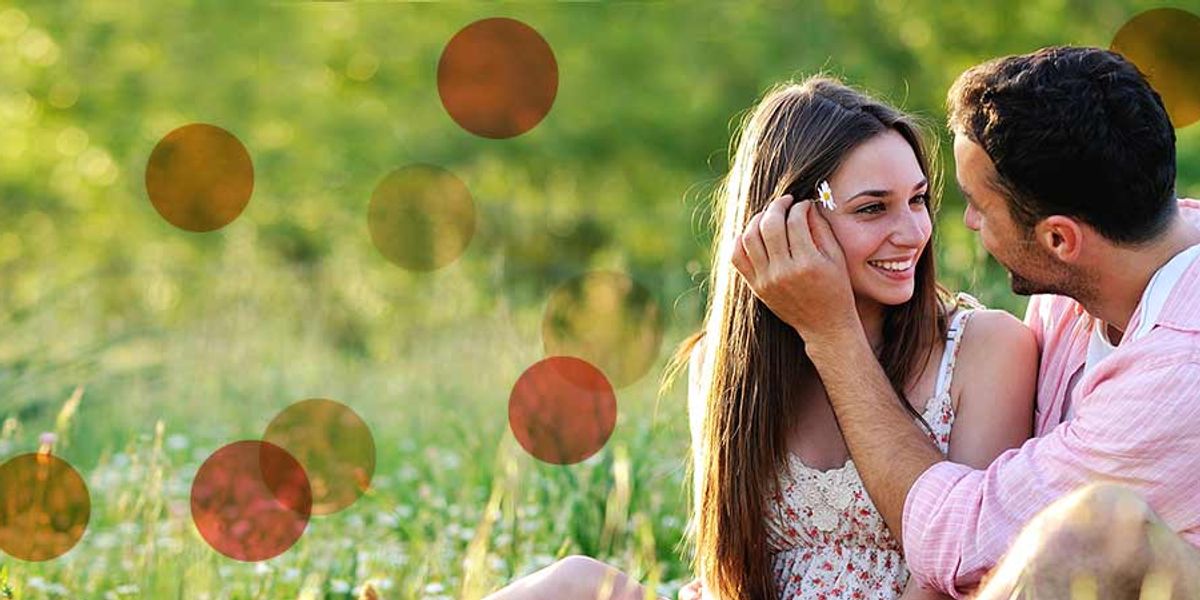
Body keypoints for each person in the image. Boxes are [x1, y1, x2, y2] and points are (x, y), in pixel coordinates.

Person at [483, 76, 1037, 600]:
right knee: (574, 583)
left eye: (918, 200)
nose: (914, 233)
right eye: (872, 208)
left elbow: (961, 577)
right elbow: (727, 572)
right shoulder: (721, 366)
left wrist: (832, 329)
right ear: (784, 222)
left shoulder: (984, 349)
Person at [733, 46, 1200, 599]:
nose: (960, 224)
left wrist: (832, 335)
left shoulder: (1179, 371)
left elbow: (965, 547)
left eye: (977, 205)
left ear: (1059, 239)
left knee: (1097, 527)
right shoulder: (1086, 282)